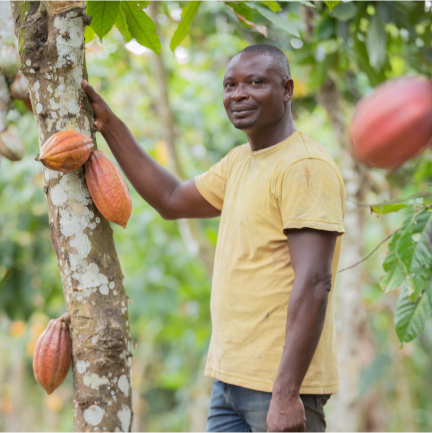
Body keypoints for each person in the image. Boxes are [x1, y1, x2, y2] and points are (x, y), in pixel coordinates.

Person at [82, 43, 346, 433]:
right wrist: (109, 125)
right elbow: (171, 199)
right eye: (230, 85)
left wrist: (287, 393)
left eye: (255, 82)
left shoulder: (304, 166)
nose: (238, 94)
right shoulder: (240, 162)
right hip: (230, 382)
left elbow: (314, 281)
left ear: (287, 89)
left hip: (278, 388)